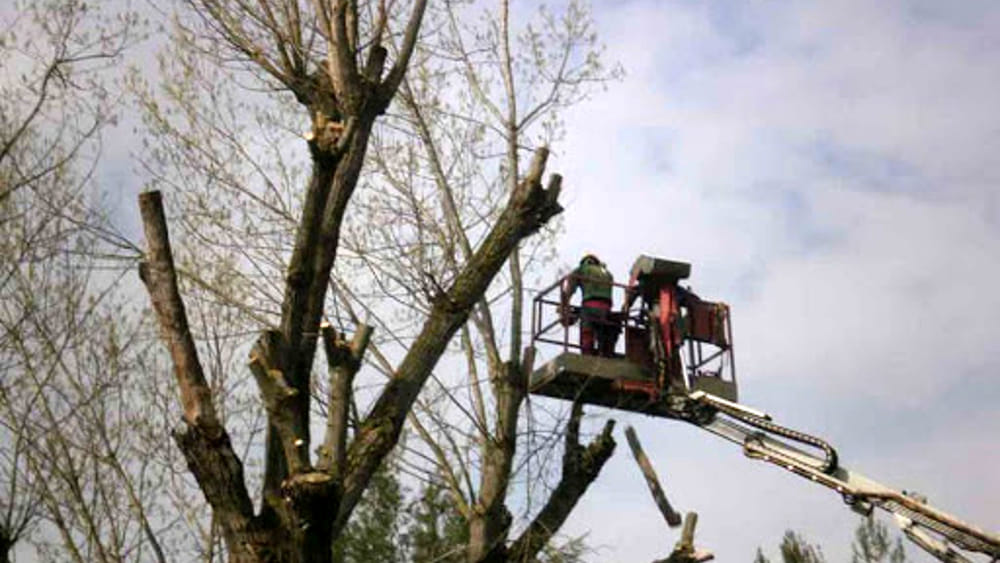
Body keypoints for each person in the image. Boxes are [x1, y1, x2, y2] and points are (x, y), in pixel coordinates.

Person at [561, 253, 618, 357]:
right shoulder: (608, 273)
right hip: (606, 309)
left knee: (587, 332)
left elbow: (569, 289)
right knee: (603, 333)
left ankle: (587, 354)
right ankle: (604, 353)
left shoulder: (582, 269)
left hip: (590, 306)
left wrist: (564, 306)